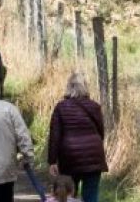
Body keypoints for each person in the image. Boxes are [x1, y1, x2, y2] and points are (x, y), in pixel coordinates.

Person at [47, 72, 108, 202]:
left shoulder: (61, 107)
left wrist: (52, 161)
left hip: (70, 158)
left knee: (68, 195)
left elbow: (55, 135)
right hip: (93, 155)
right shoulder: (95, 106)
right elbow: (100, 132)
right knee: (91, 196)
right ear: (85, 87)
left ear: (69, 87)